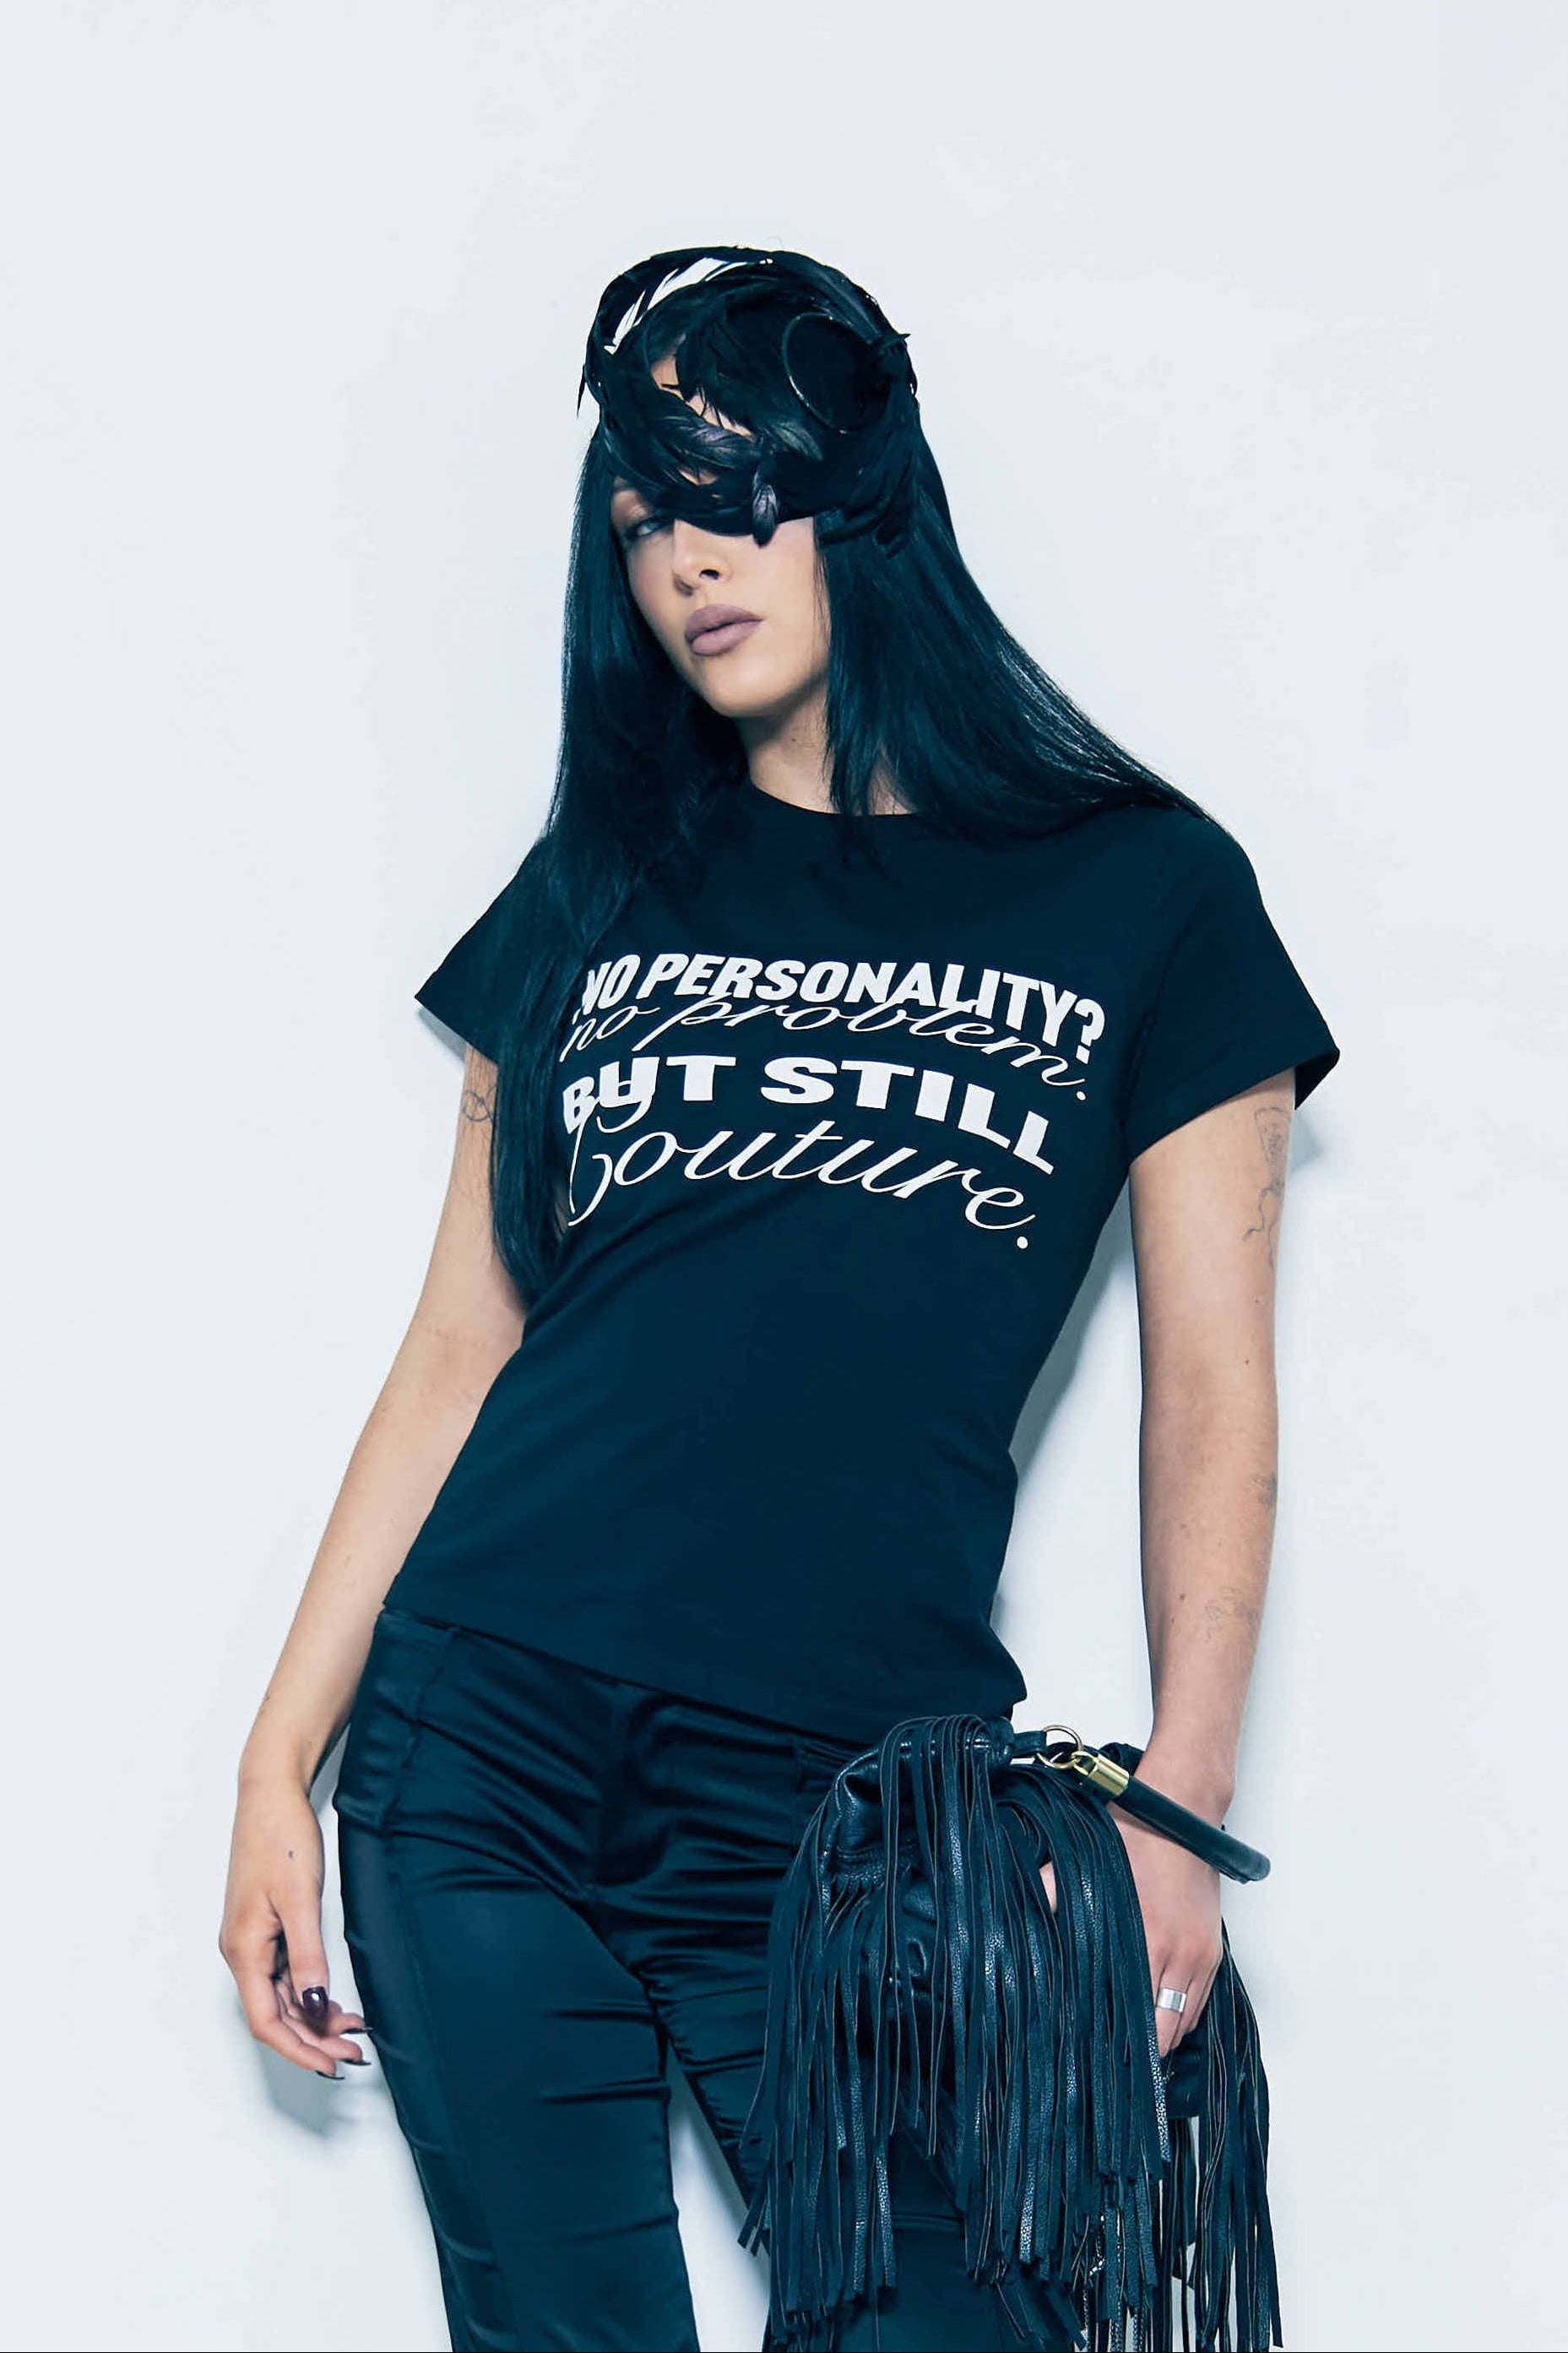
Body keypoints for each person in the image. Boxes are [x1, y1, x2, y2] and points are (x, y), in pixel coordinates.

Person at [220, 246, 1340, 2353]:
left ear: (861, 496)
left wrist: (1176, 1801)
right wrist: (279, 1759)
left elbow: (1211, 1393)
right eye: (642, 517)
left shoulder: (1145, 890)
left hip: (847, 1801)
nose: (686, 560)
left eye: (734, 492)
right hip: (481, 1751)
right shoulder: (606, 881)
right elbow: (458, 1345)